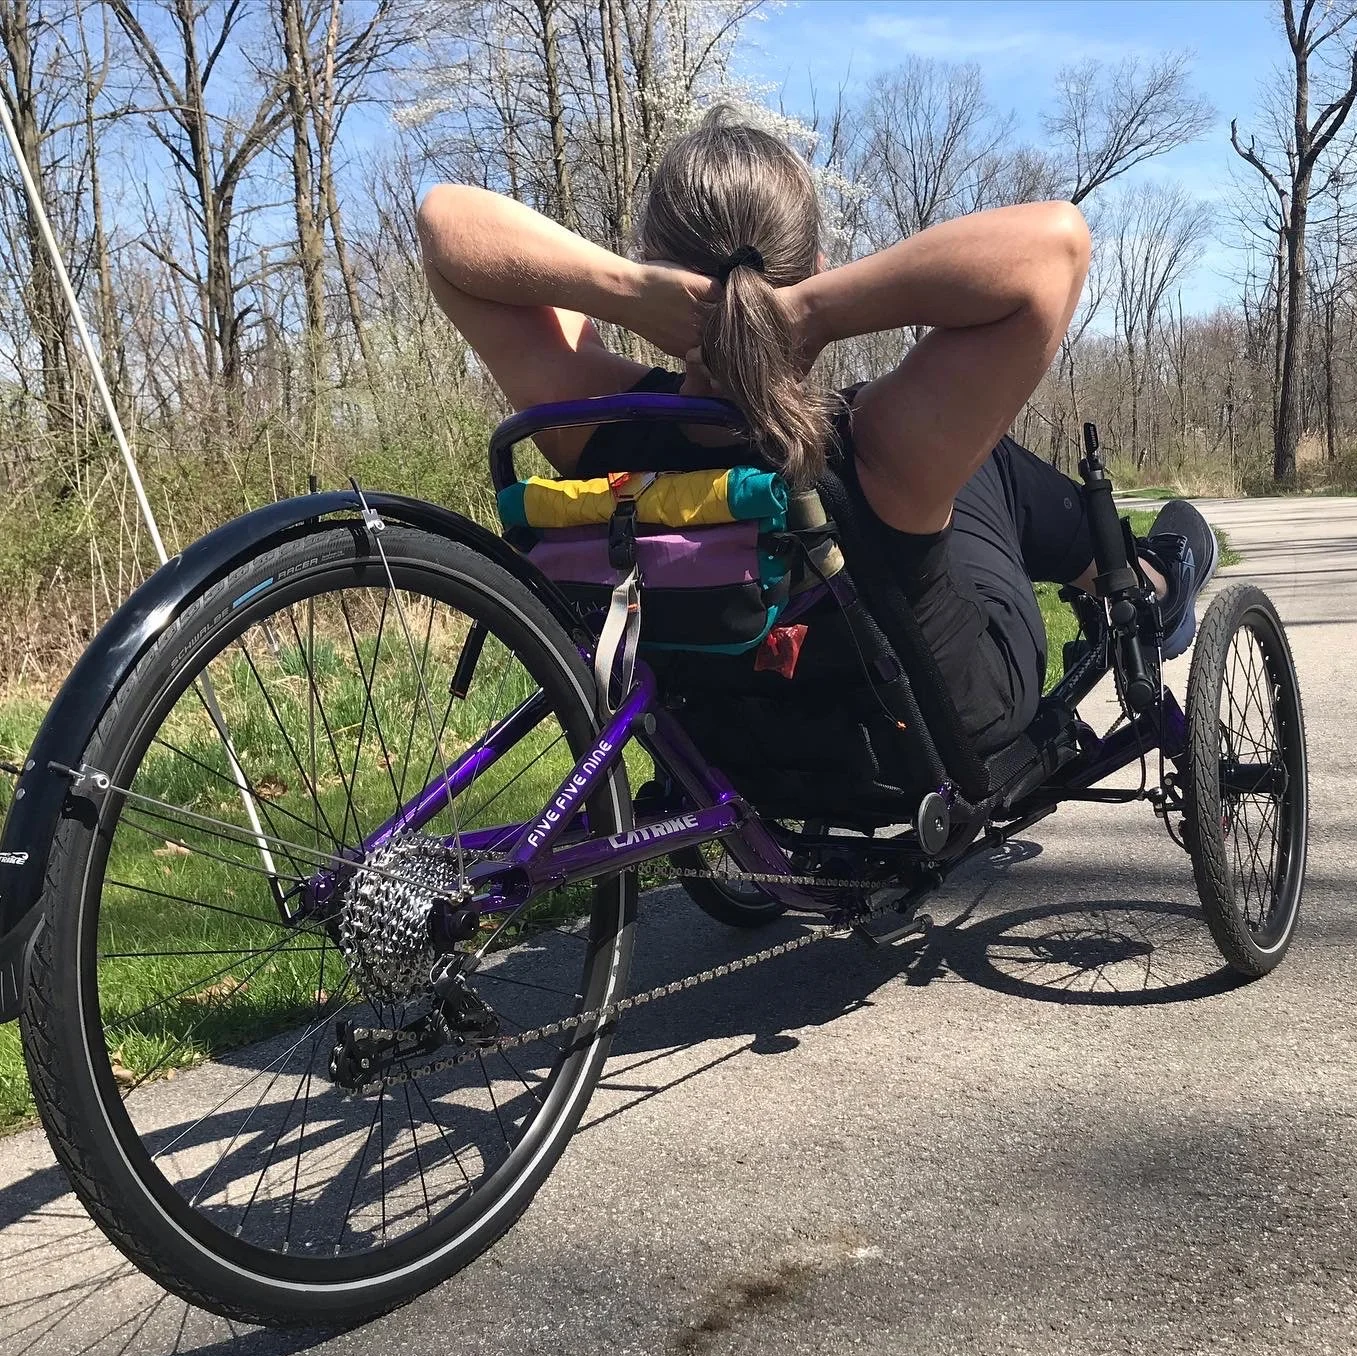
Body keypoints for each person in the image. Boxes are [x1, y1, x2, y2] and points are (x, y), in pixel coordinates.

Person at [416, 107, 1217, 757]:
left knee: (928, 439)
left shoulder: (596, 424)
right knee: (976, 459)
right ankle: (1138, 579)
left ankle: (1128, 572)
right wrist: (812, 312)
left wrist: (624, 290)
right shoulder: (878, 446)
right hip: (941, 729)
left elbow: (444, 219)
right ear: (820, 264)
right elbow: (1054, 243)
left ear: (651, 260)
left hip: (720, 748)